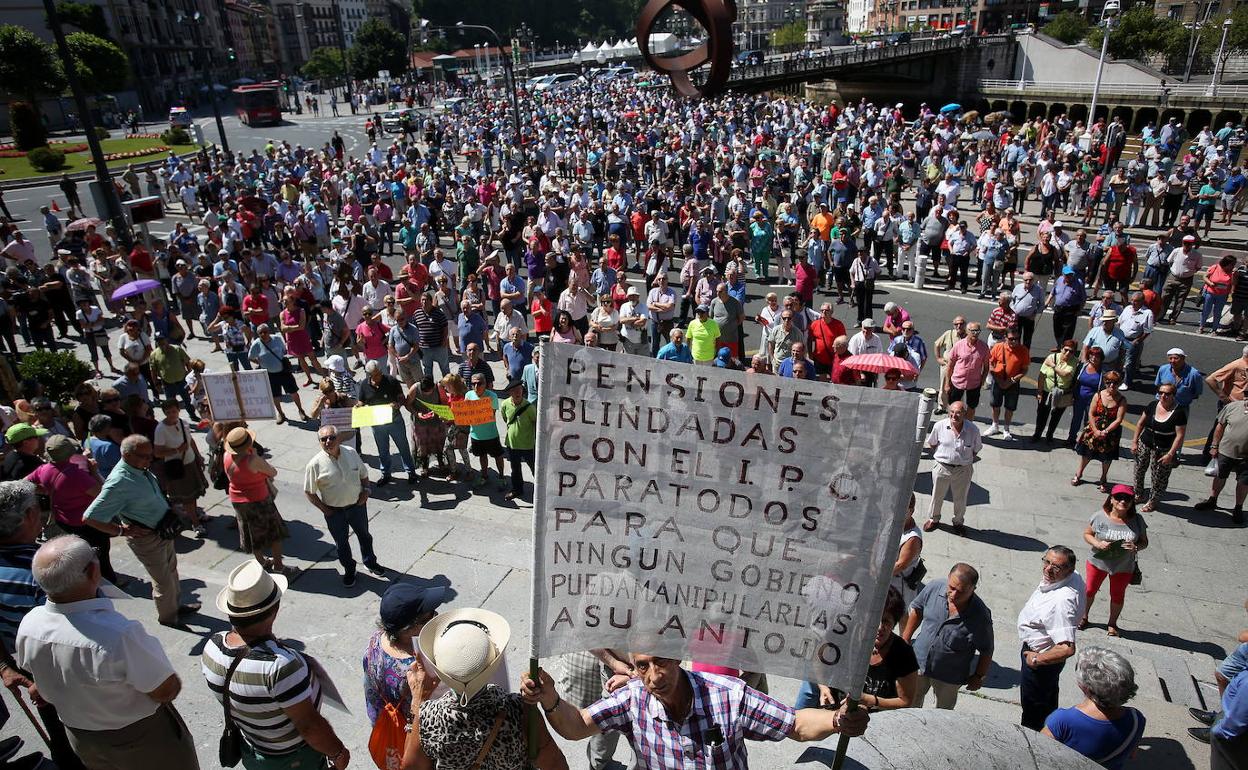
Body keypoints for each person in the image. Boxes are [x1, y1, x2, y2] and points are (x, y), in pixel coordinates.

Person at [17, 535, 200, 769]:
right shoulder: (120, 634)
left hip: (81, 737)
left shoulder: (29, 624)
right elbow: (166, 690)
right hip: (140, 738)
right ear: (94, 571)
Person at [522, 654, 870, 765]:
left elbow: (795, 725)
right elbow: (577, 726)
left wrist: (837, 720)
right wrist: (550, 698)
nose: (654, 676)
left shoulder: (729, 696)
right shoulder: (631, 699)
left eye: (661, 661)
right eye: (642, 666)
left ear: (677, 655)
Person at [202, 560, 351, 770]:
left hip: (253, 751)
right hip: (294, 760)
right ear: (274, 610)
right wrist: (338, 752)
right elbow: (309, 727)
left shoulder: (213, 646)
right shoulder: (280, 667)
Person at [409, 608, 568, 770]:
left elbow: (410, 767)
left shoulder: (427, 718)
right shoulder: (518, 709)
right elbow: (554, 764)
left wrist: (416, 702)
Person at [0, 481, 86, 770]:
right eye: (37, 506)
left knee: (59, 735)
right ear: (28, 516)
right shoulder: (45, 573)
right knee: (82, 738)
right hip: (64, 675)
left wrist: (5, 666)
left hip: (29, 668)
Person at [83, 435, 200, 626]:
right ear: (127, 455)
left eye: (150, 455)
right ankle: (169, 619)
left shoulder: (139, 469)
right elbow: (90, 517)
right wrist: (121, 530)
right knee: (163, 581)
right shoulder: (119, 482)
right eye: (144, 456)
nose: (149, 460)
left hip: (163, 531)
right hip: (147, 539)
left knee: (171, 572)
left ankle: (175, 607)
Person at [794, 587, 917, 712]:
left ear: (894, 622)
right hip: (833, 714)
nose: (880, 627)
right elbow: (818, 657)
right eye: (875, 619)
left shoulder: (903, 653)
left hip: (876, 720)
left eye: (886, 621)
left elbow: (905, 701)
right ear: (862, 617)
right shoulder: (842, 633)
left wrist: (871, 700)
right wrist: (823, 686)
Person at [902, 563, 994, 710]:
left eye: (961, 591)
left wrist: (978, 676)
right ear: (948, 578)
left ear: (973, 589)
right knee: (909, 704)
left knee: (943, 713)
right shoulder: (934, 587)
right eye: (951, 587)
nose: (954, 595)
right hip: (919, 662)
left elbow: (986, 649)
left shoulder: (980, 616)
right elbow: (917, 609)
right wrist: (905, 639)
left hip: (949, 676)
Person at [304, 424, 384, 587]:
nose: (328, 441)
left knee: (365, 536)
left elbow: (363, 474)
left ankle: (370, 562)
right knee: (341, 544)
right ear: (319, 442)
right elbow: (309, 492)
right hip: (334, 512)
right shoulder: (314, 464)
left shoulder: (351, 453)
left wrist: (366, 491)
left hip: (357, 507)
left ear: (338, 438)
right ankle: (349, 569)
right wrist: (325, 510)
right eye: (323, 439)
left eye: (332, 437)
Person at [1018, 545, 1086, 731]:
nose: (1048, 569)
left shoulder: (1061, 602)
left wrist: (1036, 659)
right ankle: (1050, 730)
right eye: (1046, 562)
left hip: (1040, 659)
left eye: (1056, 567)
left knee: (1033, 708)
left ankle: (1033, 738)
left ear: (1068, 570)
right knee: (1047, 699)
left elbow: (1066, 648)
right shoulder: (1073, 576)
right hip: (1046, 658)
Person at [1042, 647, 1146, 770]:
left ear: (1084, 687)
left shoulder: (1062, 720)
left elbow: (1040, 753)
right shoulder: (1137, 719)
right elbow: (1132, 754)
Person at [1080, 485, 1149, 637]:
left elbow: (1144, 542)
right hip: (1098, 563)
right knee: (1089, 590)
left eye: (1127, 498)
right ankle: (1083, 617)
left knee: (1117, 595)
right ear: (1111, 499)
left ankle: (1112, 623)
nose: (1123, 501)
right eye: (1118, 497)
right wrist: (1098, 543)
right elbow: (1087, 534)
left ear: (1132, 502)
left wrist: (1136, 547)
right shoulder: (1099, 516)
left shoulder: (1137, 520)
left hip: (1123, 566)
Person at [223, 426, 292, 577]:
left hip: (237, 500)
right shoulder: (252, 460)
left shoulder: (226, 456)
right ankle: (279, 566)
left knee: (251, 533)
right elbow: (272, 472)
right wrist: (255, 456)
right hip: (258, 499)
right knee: (274, 533)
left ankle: (262, 562)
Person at [922, 401, 982, 535]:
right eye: (952, 412)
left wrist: (961, 460)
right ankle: (933, 519)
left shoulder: (973, 430)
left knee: (961, 498)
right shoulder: (939, 426)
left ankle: (958, 522)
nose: (954, 415)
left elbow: (976, 449)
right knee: (937, 495)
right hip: (942, 467)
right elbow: (932, 443)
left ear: (965, 414)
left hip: (963, 470)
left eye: (958, 413)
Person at [152, 399, 208, 535]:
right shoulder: (161, 429)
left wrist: (198, 457)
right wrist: (176, 450)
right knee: (187, 498)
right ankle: (196, 523)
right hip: (177, 468)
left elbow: (190, 441)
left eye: (174, 411)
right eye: (168, 412)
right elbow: (158, 452)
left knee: (193, 495)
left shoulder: (183, 423)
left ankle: (194, 515)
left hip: (190, 462)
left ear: (178, 410)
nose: (172, 414)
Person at [359, 359, 418, 485]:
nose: (378, 376)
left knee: (403, 447)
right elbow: (361, 401)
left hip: (394, 420)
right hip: (376, 423)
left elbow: (402, 398)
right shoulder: (364, 385)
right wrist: (358, 407)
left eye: (379, 372)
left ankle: (411, 472)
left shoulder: (391, 381)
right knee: (382, 450)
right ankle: (386, 474)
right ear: (369, 375)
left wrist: (397, 404)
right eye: (375, 374)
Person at [1130, 384, 1187, 511]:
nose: (1163, 396)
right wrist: (1134, 442)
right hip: (1145, 443)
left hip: (1163, 449)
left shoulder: (1179, 413)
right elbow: (1140, 423)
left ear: (1173, 395)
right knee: (1139, 470)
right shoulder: (1152, 405)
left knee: (1159, 477)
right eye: (1161, 392)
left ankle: (1153, 501)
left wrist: (1170, 454)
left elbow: (1179, 436)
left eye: (1167, 394)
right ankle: (1138, 494)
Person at [1196, 398, 1248, 525]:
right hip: (1226, 451)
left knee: (1243, 482)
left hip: (1246, 457)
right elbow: (1220, 426)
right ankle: (1212, 500)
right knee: (1219, 476)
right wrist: (1214, 445)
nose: (1246, 397)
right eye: (1246, 394)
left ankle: (1238, 508)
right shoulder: (1232, 407)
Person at [1073, 371, 1127, 492]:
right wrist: (1095, 430)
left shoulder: (1122, 400)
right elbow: (1091, 414)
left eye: (1115, 383)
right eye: (1109, 382)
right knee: (1087, 454)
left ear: (1119, 384)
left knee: (1107, 458)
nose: (1111, 385)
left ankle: (1103, 478)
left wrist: (1106, 431)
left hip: (1111, 432)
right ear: (1105, 382)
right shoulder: (1098, 395)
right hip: (1094, 429)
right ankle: (1079, 473)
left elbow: (1119, 419)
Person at [248, 324, 309, 424]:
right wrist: (260, 362)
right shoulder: (256, 344)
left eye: (265, 332)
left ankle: (301, 410)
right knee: (275, 396)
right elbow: (250, 357)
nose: (263, 334)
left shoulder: (277, 339)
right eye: (260, 333)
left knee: (293, 392)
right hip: (270, 374)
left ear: (269, 331)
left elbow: (284, 351)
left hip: (283, 371)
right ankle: (281, 414)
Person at [986, 328, 1029, 440]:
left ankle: (1006, 428)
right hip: (998, 381)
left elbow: (1024, 369)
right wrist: (999, 380)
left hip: (1013, 383)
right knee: (995, 405)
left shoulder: (1023, 350)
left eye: (1016, 339)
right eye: (1011, 339)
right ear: (1005, 338)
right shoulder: (998, 347)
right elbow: (990, 364)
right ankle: (995, 425)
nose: (1014, 341)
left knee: (1010, 407)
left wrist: (1013, 380)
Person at [499, 379, 536, 501]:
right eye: (514, 390)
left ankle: (541, 489)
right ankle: (517, 489)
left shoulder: (529, 407)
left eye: (519, 389)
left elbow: (536, 423)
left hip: (528, 445)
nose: (517, 392)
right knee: (515, 469)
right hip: (512, 444)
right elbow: (505, 418)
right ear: (510, 392)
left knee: (535, 468)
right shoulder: (505, 404)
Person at [943, 322, 989, 421]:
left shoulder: (984, 347)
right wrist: (947, 384)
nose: (976, 333)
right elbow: (950, 365)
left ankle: (968, 426)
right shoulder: (959, 345)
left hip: (974, 383)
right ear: (967, 331)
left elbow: (986, 367)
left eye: (978, 331)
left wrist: (982, 381)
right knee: (953, 406)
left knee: (972, 407)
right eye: (973, 331)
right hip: (957, 381)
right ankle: (952, 424)